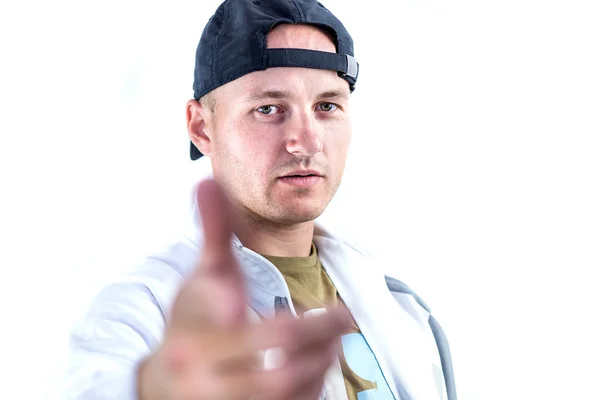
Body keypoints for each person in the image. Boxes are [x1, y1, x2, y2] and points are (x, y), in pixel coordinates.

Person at [62, 0, 456, 399]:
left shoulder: (404, 314)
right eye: (268, 108)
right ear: (201, 128)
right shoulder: (138, 315)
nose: (307, 140)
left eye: (327, 106)